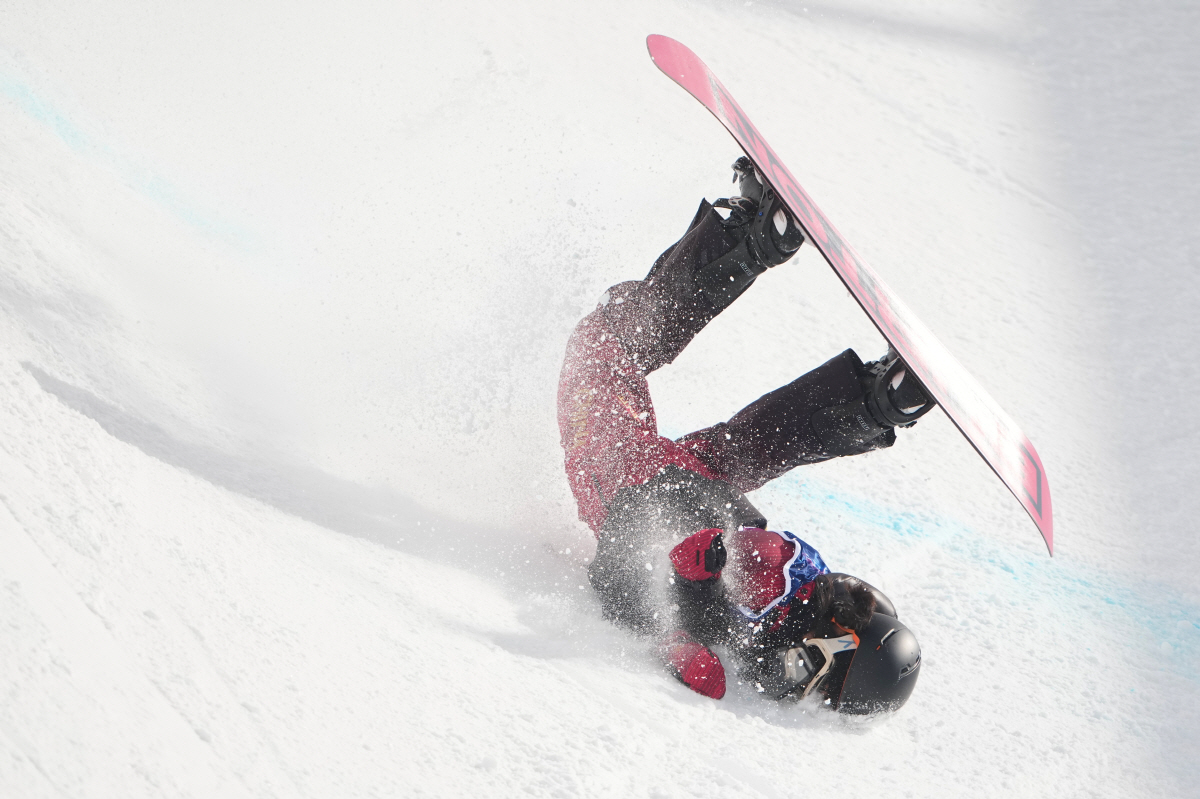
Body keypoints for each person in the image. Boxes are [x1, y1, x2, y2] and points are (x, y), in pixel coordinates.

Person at [557, 158, 929, 713]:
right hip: (649, 479)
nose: (792, 685)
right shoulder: (782, 590)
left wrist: (682, 624)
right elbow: (638, 575)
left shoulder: (787, 604)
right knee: (610, 350)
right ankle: (871, 393)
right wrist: (686, 602)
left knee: (629, 366)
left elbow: (636, 576)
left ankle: (877, 396)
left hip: (652, 481)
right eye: (809, 674)